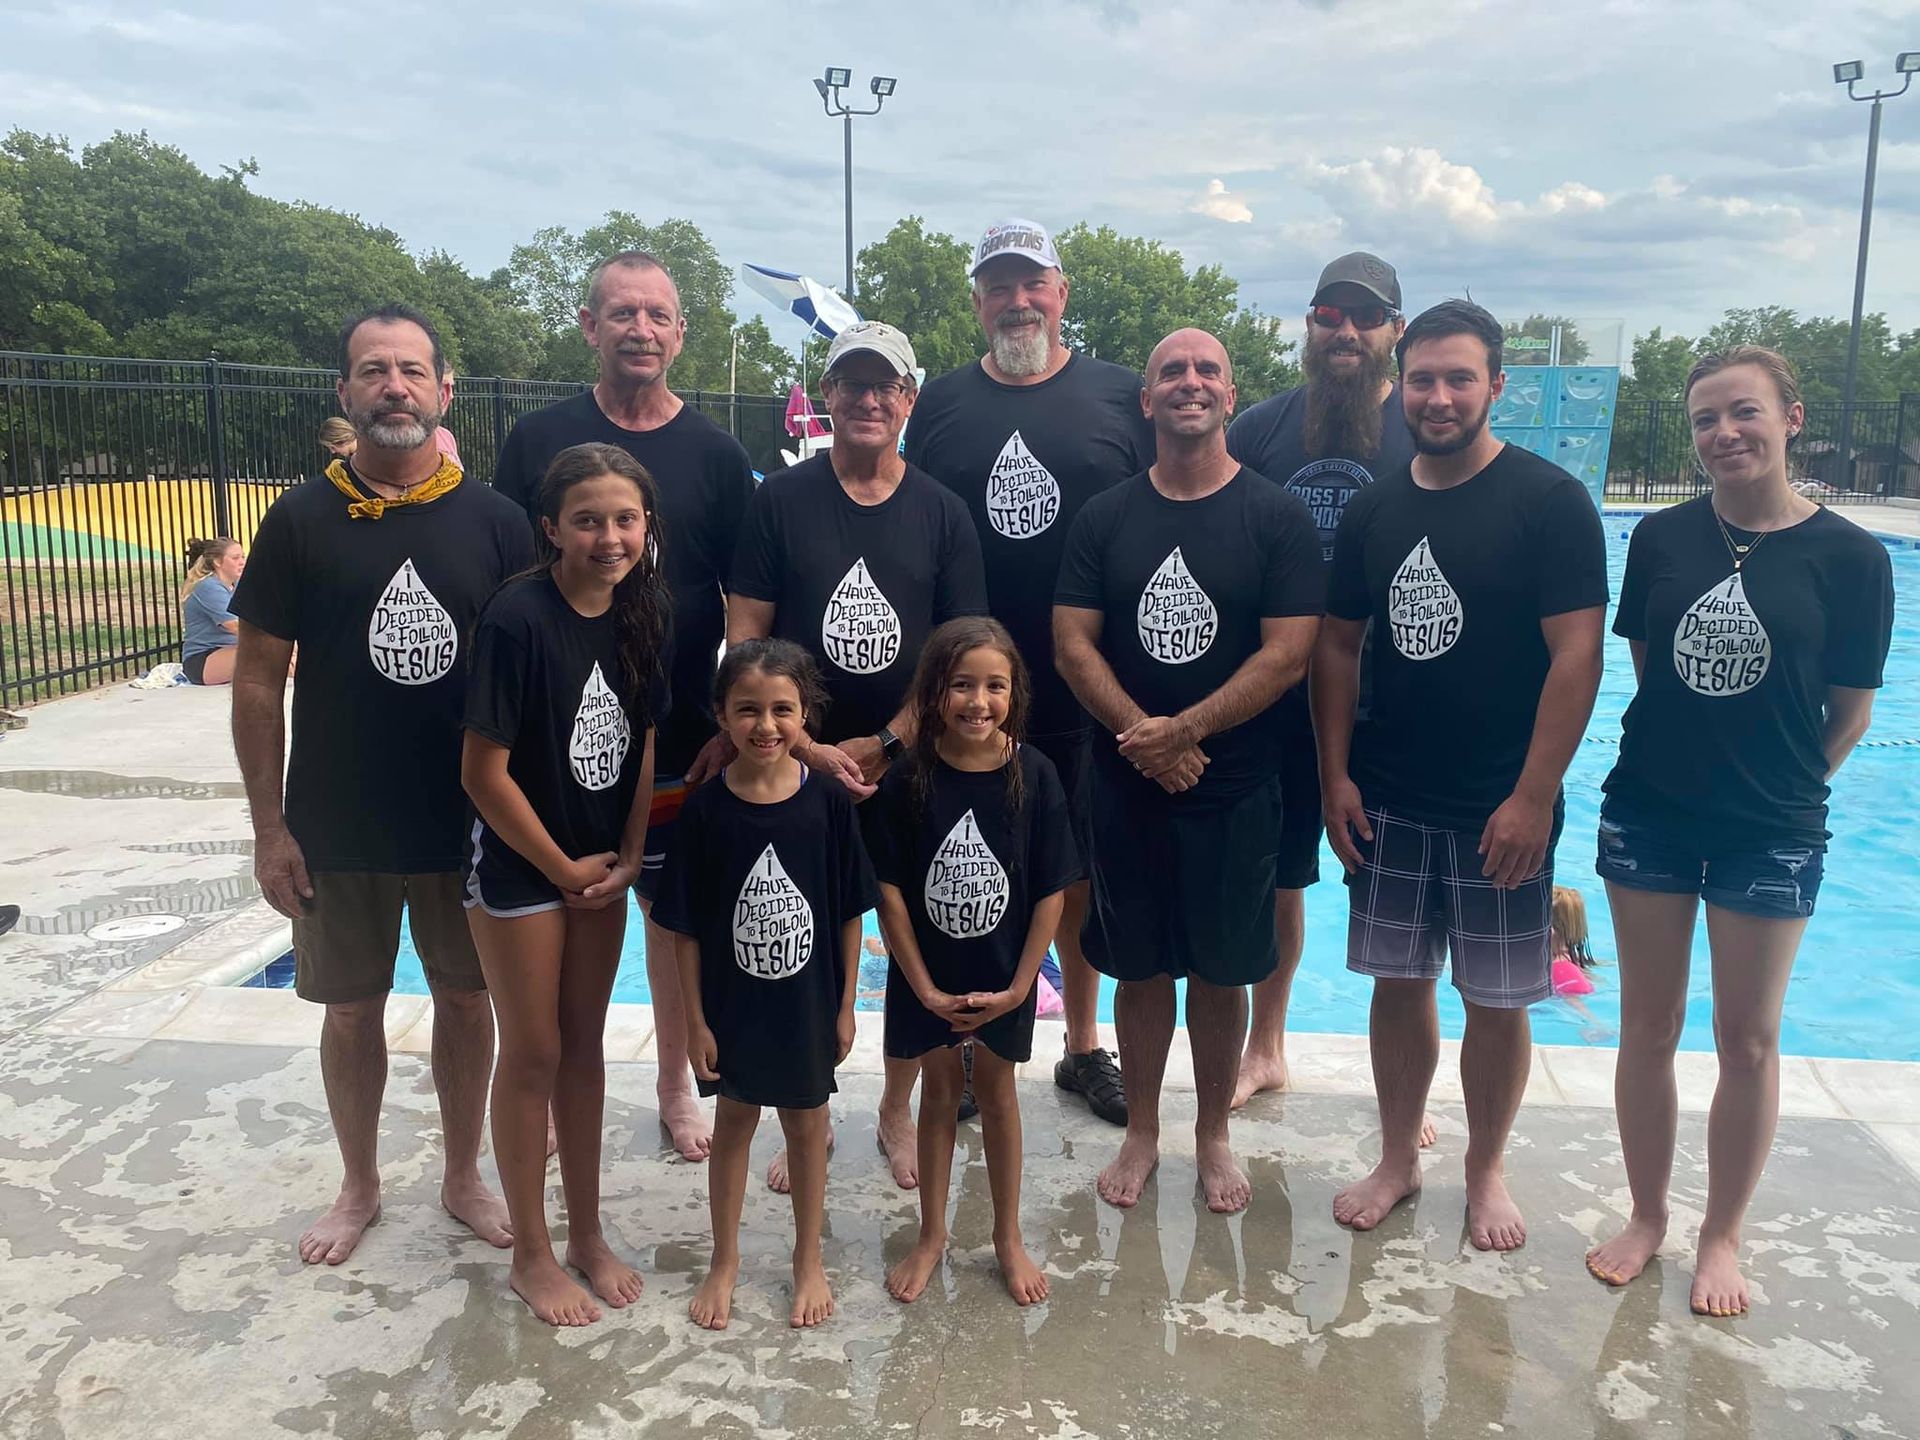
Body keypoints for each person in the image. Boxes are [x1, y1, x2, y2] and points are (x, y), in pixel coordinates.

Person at [1584, 345, 1892, 1316]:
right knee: (1649, 1025)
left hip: (1773, 828)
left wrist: (1781, 788)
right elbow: (1651, 667)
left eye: (1744, 413)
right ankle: (1646, 1216)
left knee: (1749, 1040)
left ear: (1792, 417)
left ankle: (1722, 1234)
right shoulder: (1664, 541)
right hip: (1652, 814)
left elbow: (1850, 712)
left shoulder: (1853, 558)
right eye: (1707, 419)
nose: (1724, 434)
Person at [230, 303, 534, 1266]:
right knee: (351, 1008)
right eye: (373, 371)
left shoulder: (494, 521)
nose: (393, 386)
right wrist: (269, 829)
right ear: (345, 393)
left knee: (467, 1001)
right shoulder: (300, 518)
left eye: (411, 370)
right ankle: (359, 1183)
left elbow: (537, 673)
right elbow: (254, 678)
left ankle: (461, 1174)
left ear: (446, 392)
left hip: (465, 821)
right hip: (339, 820)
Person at [1315, 299, 1607, 1251]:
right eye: (1425, 379)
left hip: (1500, 809)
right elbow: (1339, 649)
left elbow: (1578, 659)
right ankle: (1400, 1157)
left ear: (1497, 387)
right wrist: (1336, 777)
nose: (1440, 398)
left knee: (1497, 998)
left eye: (1460, 378)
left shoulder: (1548, 503)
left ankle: (1484, 1169)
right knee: (1397, 986)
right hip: (1391, 796)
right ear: (1401, 384)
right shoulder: (1376, 505)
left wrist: (1532, 797)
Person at [494, 250, 756, 1163]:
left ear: (681, 334)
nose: (640, 330)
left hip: (676, 732)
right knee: (559, 912)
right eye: (623, 314)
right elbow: (508, 581)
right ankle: (549, 1085)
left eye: (658, 316)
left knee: (670, 911)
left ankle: (674, 1085)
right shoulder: (537, 439)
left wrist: (730, 719)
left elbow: (741, 600)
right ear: (589, 325)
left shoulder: (717, 456)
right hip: (548, 739)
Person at [1054, 328, 1324, 1214]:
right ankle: (1142, 1131)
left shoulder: (1274, 516)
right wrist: (1146, 735)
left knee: (1219, 971)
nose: (1190, 382)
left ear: (1231, 394)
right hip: (1128, 782)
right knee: (1138, 968)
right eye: (1171, 370)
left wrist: (1192, 730)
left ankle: (1211, 1132)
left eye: (1207, 370)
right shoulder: (1107, 516)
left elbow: (1289, 654)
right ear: (1147, 399)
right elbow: (1070, 642)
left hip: (1238, 786)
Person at [903, 218, 1153, 1129]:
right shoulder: (940, 405)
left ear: (1062, 293)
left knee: (1072, 866)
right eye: (998, 286)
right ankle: (968, 1046)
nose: (1017, 301)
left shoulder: (1124, 397)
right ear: (976, 303)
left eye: (1032, 283)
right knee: (961, 861)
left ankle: (1083, 1045)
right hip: (967, 688)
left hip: (1089, 681)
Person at [729, 320, 989, 1192]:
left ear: (909, 400)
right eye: (853, 384)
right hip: (794, 765)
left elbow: (959, 656)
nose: (869, 399)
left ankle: (895, 1110)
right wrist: (805, 744)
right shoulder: (781, 502)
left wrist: (882, 745)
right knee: (804, 946)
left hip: (912, 765)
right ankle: (807, 1108)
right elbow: (746, 636)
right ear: (828, 397)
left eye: (888, 386)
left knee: (919, 945)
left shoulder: (942, 512)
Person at [460, 443, 666, 1326]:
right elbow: (484, 773)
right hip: (523, 866)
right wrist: (560, 866)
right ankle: (534, 1253)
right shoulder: (518, 618)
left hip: (600, 863)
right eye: (587, 519)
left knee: (584, 1048)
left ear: (647, 526)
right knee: (535, 1050)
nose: (609, 537)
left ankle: (586, 1233)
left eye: (625, 519)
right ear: (551, 529)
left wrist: (627, 854)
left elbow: (646, 742)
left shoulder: (644, 612)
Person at [1225, 252, 1415, 1108]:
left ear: (1394, 333)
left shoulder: (1426, 429)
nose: (1345, 331)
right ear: (1308, 326)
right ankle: (1265, 1047)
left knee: (1400, 907)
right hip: (1275, 703)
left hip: (1394, 708)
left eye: (1364, 318)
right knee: (1277, 878)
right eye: (1328, 315)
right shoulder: (1260, 431)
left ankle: (1401, 1091)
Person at [654, 639, 876, 1331]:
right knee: (735, 1126)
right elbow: (683, 930)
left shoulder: (829, 805)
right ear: (721, 714)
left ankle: (808, 1258)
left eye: (783, 709)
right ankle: (725, 1260)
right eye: (747, 709)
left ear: (805, 714)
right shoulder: (706, 811)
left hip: (808, 1006)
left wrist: (845, 1007)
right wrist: (696, 1022)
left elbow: (847, 913)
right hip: (733, 1006)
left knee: (807, 1128)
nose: (766, 725)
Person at [874, 617, 1080, 1306]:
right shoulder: (909, 777)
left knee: (997, 1095)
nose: (978, 702)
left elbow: (1052, 888)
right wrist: (922, 985)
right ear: (934, 692)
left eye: (995, 686)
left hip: (1004, 972)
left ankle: (1006, 1237)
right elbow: (892, 893)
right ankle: (931, 1235)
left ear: (1014, 693)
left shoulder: (1036, 774)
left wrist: (1023, 984)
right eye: (962, 685)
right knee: (938, 1095)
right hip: (925, 975)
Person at [180, 537, 244, 686]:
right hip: (202, 660)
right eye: (235, 558)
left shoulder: (236, 583)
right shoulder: (209, 587)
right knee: (267, 654)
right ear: (217, 562)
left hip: (230, 650)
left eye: (243, 556)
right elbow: (236, 626)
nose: (242, 562)